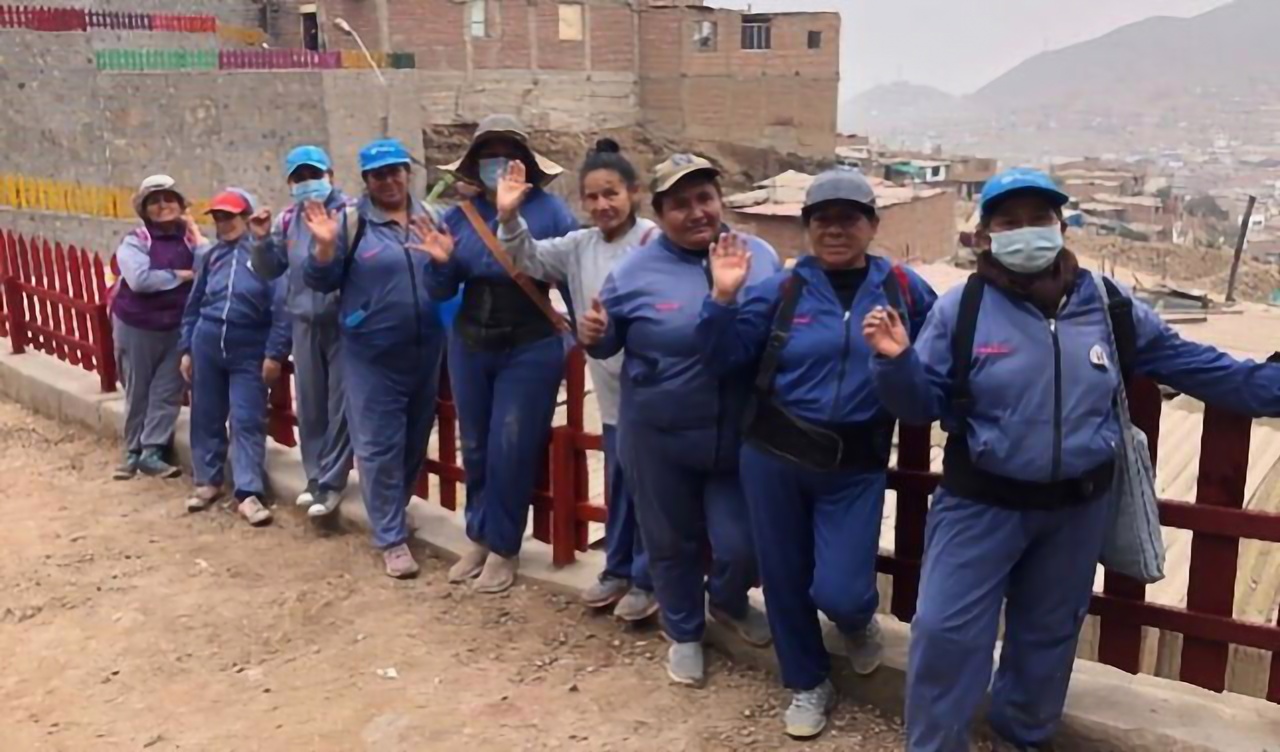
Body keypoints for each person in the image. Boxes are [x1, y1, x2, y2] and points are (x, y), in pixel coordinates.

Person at [861, 168, 1280, 752]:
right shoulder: (965, 309)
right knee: (946, 637)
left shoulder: (1109, 305)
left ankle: (1019, 739)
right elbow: (920, 401)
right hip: (979, 505)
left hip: (1074, 513)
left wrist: (1271, 385)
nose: (1026, 232)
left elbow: (1194, 364)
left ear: (1062, 226)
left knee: (1047, 639)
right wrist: (894, 362)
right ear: (985, 237)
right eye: (1010, 223)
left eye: (1039, 220)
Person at [697, 168, 938, 738]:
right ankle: (807, 682)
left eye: (849, 217)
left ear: (872, 225)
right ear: (807, 228)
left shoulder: (904, 289)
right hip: (774, 456)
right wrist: (722, 298)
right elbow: (720, 358)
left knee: (843, 589)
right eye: (822, 219)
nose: (836, 229)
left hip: (854, 464)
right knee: (783, 578)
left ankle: (856, 622)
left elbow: (938, 358)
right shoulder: (778, 290)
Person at [579, 153, 782, 687]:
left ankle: (730, 601)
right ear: (660, 211)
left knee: (743, 544)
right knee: (670, 543)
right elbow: (609, 343)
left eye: (705, 199)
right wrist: (595, 335)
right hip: (659, 437)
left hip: (738, 435)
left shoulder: (760, 258)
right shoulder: (636, 271)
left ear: (720, 200)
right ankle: (684, 631)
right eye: (680, 204)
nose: (697, 212)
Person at [493, 139, 659, 621]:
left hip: (653, 390)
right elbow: (527, 256)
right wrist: (508, 216)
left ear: (633, 192)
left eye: (612, 193)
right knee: (620, 482)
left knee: (651, 488)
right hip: (609, 392)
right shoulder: (579, 246)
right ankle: (618, 567)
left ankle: (649, 580)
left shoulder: (653, 241)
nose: (603, 205)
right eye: (592, 197)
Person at [417, 115, 579, 595]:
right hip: (470, 342)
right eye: (489, 154)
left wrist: (588, 339)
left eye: (509, 153)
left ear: (525, 163)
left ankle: (505, 545)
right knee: (478, 445)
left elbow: (571, 278)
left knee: (513, 444)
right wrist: (443, 265)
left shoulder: (552, 213)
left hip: (530, 344)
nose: (499, 163)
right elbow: (437, 287)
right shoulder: (457, 218)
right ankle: (480, 536)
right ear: (475, 163)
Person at [303, 138, 448, 579]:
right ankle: (389, 537)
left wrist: (445, 263)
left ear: (408, 173)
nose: (389, 181)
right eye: (378, 175)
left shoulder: (432, 217)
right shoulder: (352, 223)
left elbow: (448, 278)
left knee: (413, 439)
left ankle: (393, 512)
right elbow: (320, 280)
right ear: (366, 181)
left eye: (395, 171)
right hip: (370, 353)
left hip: (426, 349)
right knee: (379, 444)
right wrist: (325, 247)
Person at [249, 145, 355, 518]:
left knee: (342, 405)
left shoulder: (350, 215)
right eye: (299, 178)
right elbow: (269, 268)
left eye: (314, 175)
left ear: (330, 176)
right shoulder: (286, 220)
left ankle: (333, 480)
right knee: (310, 404)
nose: (308, 184)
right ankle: (315, 475)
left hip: (342, 323)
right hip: (304, 322)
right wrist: (260, 240)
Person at [179, 188, 291, 526]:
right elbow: (194, 304)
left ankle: (248, 490)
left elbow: (282, 309)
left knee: (246, 417)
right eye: (218, 217)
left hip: (249, 342)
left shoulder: (265, 256)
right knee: (206, 414)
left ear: (247, 217)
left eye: (230, 216)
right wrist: (186, 347)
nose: (224, 224)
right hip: (209, 338)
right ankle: (208, 480)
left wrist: (274, 353)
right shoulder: (210, 256)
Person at [110, 174, 200, 481]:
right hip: (137, 324)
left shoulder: (192, 239)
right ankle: (132, 449)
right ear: (145, 210)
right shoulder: (136, 241)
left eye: (169, 199)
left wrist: (197, 237)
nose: (163, 206)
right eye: (155, 201)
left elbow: (209, 265)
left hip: (176, 326)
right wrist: (183, 276)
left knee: (168, 389)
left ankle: (153, 450)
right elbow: (140, 280)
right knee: (138, 388)